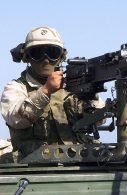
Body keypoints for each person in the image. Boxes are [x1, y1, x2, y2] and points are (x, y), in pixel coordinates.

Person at [0, 26, 105, 160]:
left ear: (61, 57)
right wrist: (46, 91)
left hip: (79, 161)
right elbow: (16, 119)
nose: (45, 59)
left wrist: (90, 95)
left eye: (52, 52)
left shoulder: (72, 86)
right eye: (37, 53)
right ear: (26, 57)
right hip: (35, 166)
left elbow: (99, 120)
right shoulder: (16, 87)